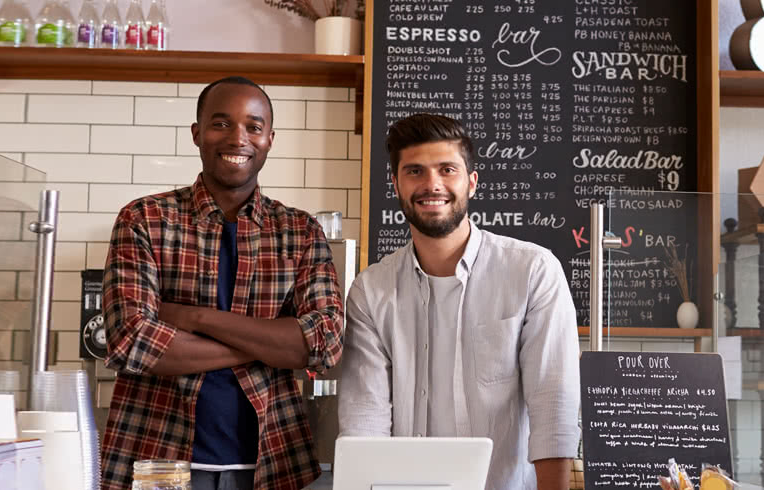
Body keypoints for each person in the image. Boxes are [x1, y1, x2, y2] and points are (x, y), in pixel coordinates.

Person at [100, 76, 344, 490]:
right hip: (157, 461)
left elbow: (323, 343)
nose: (238, 138)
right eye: (221, 123)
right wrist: (269, 347)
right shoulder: (143, 219)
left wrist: (193, 317)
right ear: (197, 133)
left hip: (273, 464)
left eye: (253, 126)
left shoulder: (300, 231)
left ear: (269, 138)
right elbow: (131, 341)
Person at [336, 113, 581, 490]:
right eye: (414, 171)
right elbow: (363, 423)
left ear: (472, 182)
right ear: (397, 184)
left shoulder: (533, 271)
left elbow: (553, 408)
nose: (431, 184)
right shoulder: (371, 291)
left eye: (447, 169)